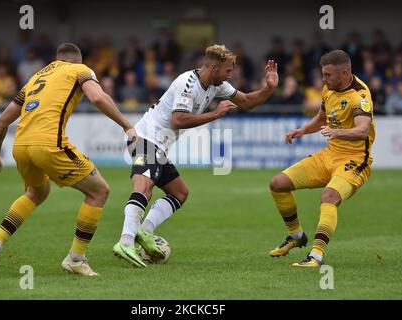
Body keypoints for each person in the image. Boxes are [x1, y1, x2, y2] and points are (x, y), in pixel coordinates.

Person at [0, 43, 136, 276]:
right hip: (49, 144)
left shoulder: (36, 77)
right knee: (99, 191)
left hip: (21, 146)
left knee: (37, 192)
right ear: (76, 59)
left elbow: (2, 121)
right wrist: (127, 125)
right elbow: (98, 98)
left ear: (57, 59)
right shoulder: (80, 70)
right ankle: (76, 259)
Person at [112, 44, 278, 268]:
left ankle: (144, 232)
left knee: (180, 193)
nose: (231, 74)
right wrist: (215, 114)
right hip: (143, 138)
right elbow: (179, 119)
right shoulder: (187, 83)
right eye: (228, 71)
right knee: (144, 188)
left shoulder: (216, 85)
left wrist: (268, 88)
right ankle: (126, 241)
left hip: (159, 146)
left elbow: (247, 101)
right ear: (213, 67)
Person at [268, 49, 375, 267]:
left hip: (354, 160)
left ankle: (316, 256)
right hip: (329, 156)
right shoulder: (329, 89)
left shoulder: (360, 95)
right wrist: (302, 130)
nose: (323, 79)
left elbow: (363, 130)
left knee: (329, 197)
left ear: (345, 74)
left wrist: (337, 132)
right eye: (323, 74)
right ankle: (296, 236)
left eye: (328, 75)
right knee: (278, 183)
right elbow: (322, 117)